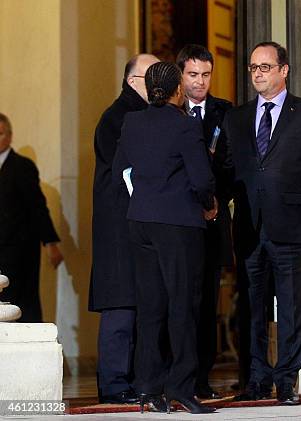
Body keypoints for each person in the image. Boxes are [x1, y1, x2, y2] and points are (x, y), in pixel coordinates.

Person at [224, 42, 301, 405]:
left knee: (290, 307)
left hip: (293, 225)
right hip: (250, 229)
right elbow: (226, 172)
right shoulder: (236, 118)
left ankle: (286, 380)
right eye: (253, 67)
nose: (258, 73)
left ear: (284, 70)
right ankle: (257, 380)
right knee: (252, 307)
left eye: (265, 67)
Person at [112, 61, 217, 414]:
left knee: (151, 307)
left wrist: (143, 197)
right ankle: (182, 389)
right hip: (178, 225)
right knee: (183, 306)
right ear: (176, 90)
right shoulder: (186, 126)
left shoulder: (133, 122)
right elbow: (202, 180)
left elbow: (120, 171)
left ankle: (147, 388)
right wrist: (209, 205)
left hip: (140, 220)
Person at [89, 53, 159, 405]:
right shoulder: (118, 117)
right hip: (120, 227)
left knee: (138, 305)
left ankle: (131, 380)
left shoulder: (142, 115)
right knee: (120, 305)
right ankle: (115, 383)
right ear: (134, 81)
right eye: (153, 75)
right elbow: (128, 169)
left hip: (136, 223)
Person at [176, 44, 233, 400]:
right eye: (193, 75)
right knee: (180, 299)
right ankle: (177, 376)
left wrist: (213, 202)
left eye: (206, 75)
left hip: (212, 221)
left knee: (207, 301)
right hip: (179, 220)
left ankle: (201, 378)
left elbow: (232, 165)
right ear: (181, 75)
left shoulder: (226, 113)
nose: (200, 82)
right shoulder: (168, 112)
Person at [0, 113, 63, 322]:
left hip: (19, 251)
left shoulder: (22, 166)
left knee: (22, 303)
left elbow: (38, 207)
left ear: (9, 136)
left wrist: (50, 242)